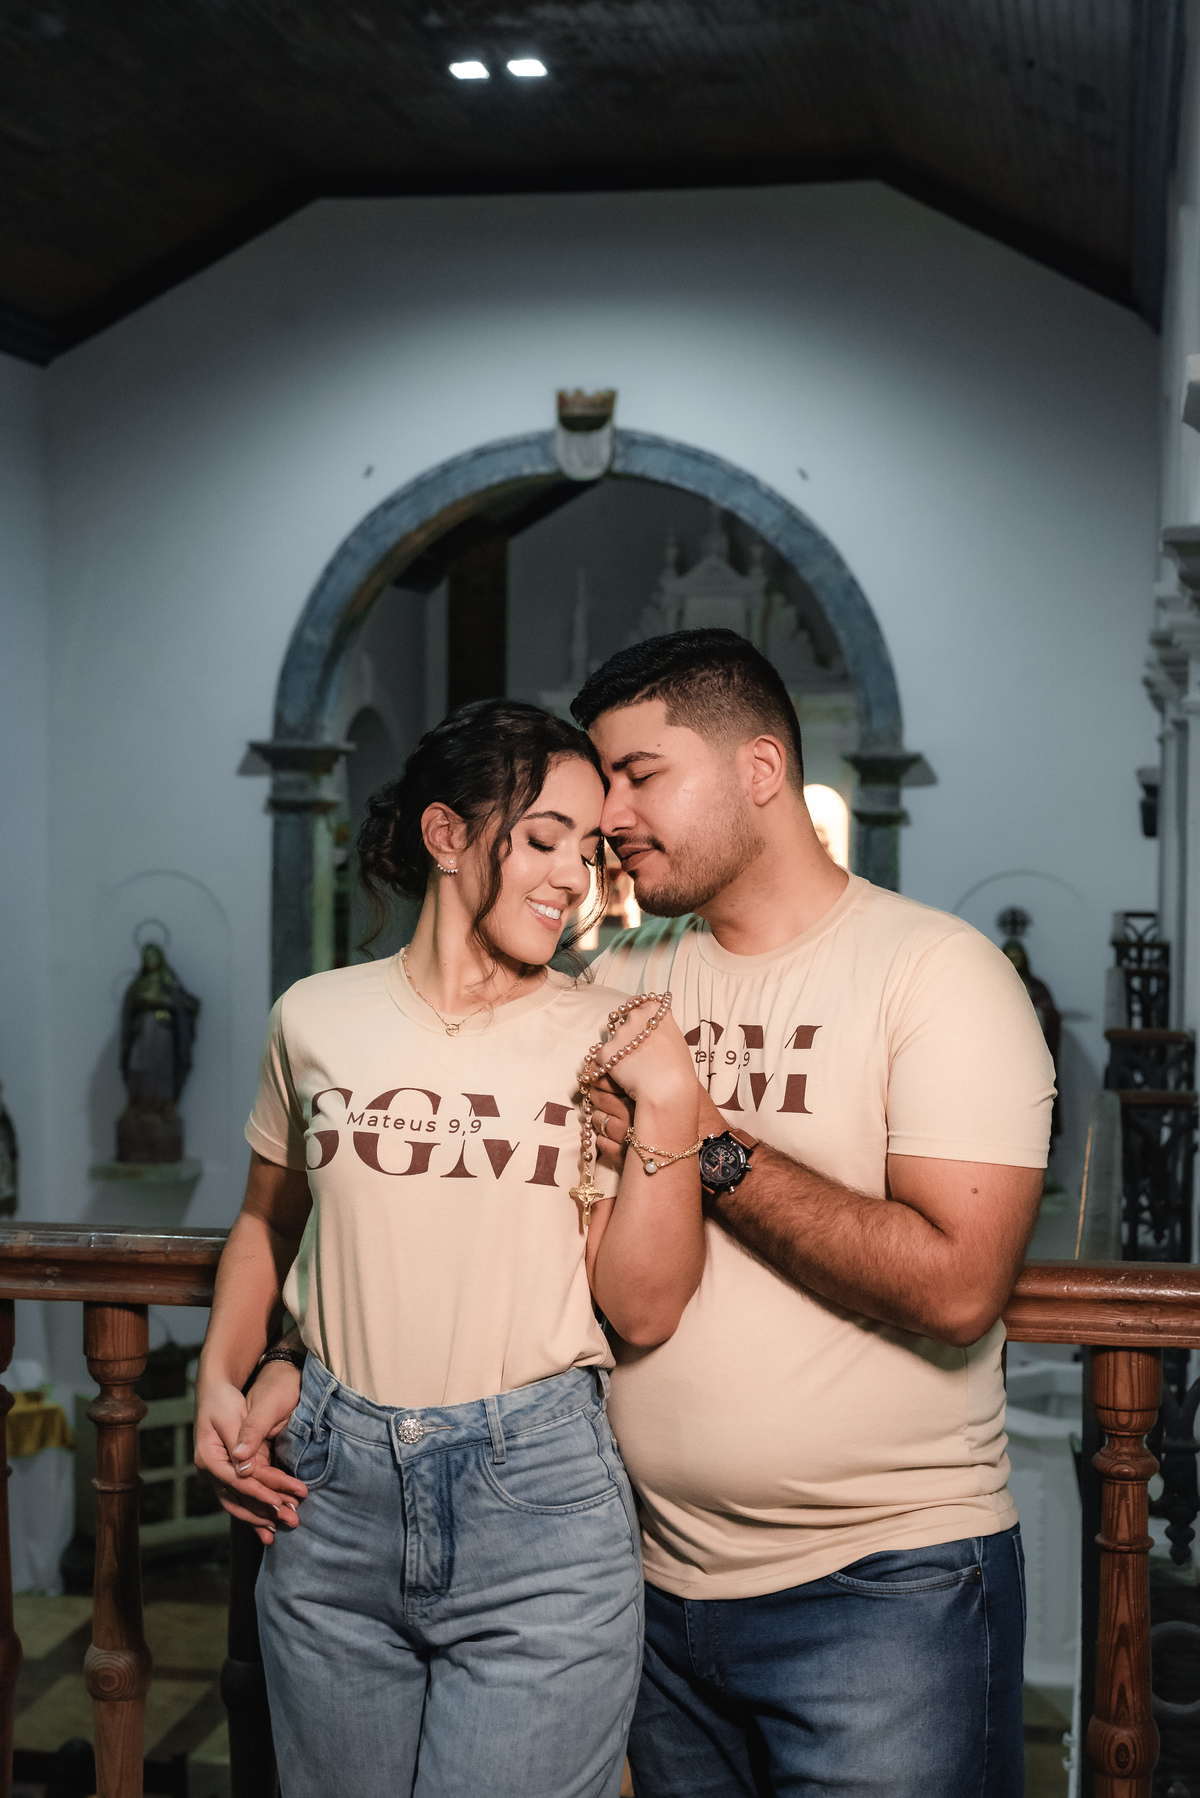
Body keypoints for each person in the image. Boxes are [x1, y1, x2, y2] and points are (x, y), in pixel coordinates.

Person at [568, 628, 1054, 1798]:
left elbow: (955, 1285)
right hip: (647, 1585)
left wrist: (704, 1140)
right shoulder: (612, 978)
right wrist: (292, 1352)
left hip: (887, 1593)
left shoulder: (934, 972)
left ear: (761, 769)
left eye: (642, 776)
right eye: (602, 788)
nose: (612, 818)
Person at [194, 698, 705, 1798]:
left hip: (541, 1508)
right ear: (446, 836)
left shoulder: (605, 1031)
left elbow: (646, 1308)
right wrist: (219, 1377)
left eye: (590, 848)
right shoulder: (314, 1015)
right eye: (542, 837)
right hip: (329, 1503)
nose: (574, 875)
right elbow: (265, 1220)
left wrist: (669, 1105)